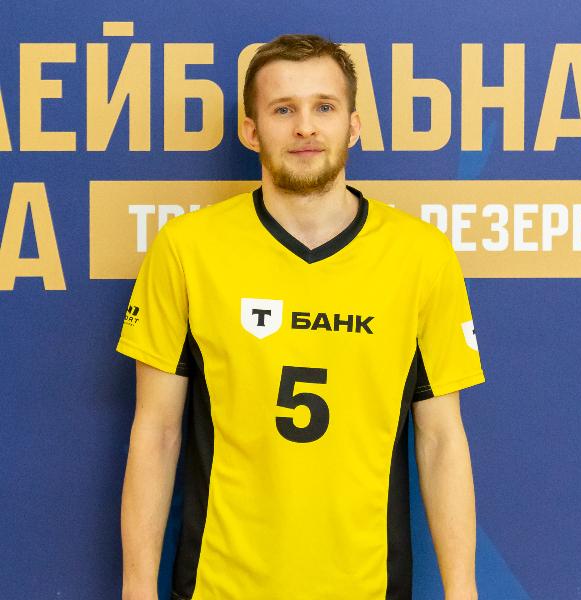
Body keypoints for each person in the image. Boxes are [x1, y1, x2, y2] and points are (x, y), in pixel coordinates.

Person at [117, 33, 485, 600]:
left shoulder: (421, 255)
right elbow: (157, 431)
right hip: (221, 586)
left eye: (324, 107)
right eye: (283, 109)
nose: (305, 127)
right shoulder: (187, 249)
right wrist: (136, 587)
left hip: (368, 587)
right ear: (251, 130)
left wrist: (464, 591)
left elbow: (440, 438)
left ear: (353, 126)